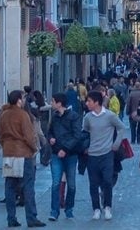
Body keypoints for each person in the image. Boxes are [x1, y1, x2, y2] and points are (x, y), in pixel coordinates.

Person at [0, 90, 46, 228]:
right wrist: (34, 148)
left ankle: (11, 218)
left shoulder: (4, 115)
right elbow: (29, 136)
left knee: (10, 186)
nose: (24, 100)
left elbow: (0, 134)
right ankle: (31, 218)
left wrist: (6, 146)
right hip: (23, 153)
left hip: (8, 152)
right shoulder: (22, 115)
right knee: (28, 186)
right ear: (19, 100)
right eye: (23, 98)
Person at [83, 90, 126, 220]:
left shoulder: (110, 115)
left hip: (107, 154)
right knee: (93, 183)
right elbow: (84, 133)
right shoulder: (87, 117)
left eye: (89, 101)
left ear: (96, 102)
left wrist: (116, 144)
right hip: (92, 155)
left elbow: (122, 128)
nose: (87, 103)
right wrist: (85, 147)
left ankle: (107, 207)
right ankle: (96, 208)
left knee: (107, 181)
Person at [47, 93, 83, 221]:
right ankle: (54, 211)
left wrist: (66, 149)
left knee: (71, 184)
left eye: (52, 101)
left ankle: (69, 208)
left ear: (59, 103)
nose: (51, 103)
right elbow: (49, 131)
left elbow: (77, 135)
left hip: (71, 155)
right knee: (56, 183)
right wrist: (50, 138)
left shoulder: (74, 116)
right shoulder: (55, 117)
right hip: (56, 154)